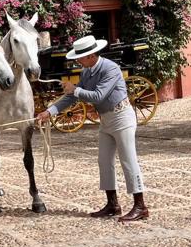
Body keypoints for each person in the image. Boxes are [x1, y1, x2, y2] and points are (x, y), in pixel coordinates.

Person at [36, 35, 149, 222]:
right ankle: (113, 204)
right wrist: (49, 111)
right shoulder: (87, 72)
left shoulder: (110, 68)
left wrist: (75, 90)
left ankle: (140, 206)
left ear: (91, 55)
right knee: (104, 161)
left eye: (80, 57)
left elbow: (98, 96)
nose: (77, 60)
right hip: (106, 119)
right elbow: (72, 97)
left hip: (121, 117)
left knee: (128, 160)